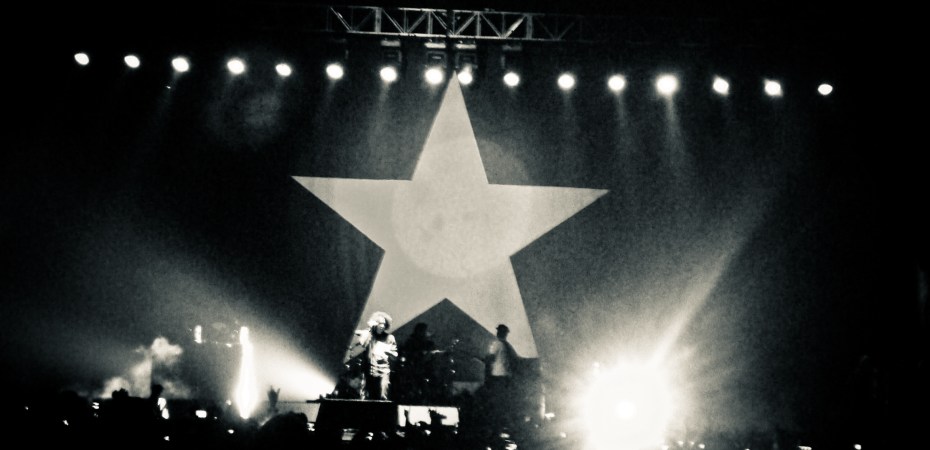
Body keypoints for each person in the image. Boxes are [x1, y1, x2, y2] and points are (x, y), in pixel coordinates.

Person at [343, 311, 398, 400]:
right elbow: (358, 343)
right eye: (379, 323)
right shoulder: (369, 335)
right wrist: (369, 329)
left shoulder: (389, 338)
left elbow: (395, 356)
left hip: (383, 371)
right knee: (366, 397)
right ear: (375, 324)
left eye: (384, 324)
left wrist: (388, 352)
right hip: (369, 371)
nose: (382, 326)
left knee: (383, 396)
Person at [399, 322, 438, 403]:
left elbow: (432, 355)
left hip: (425, 369)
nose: (427, 333)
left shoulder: (429, 343)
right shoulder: (411, 342)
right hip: (414, 370)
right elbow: (408, 354)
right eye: (425, 331)